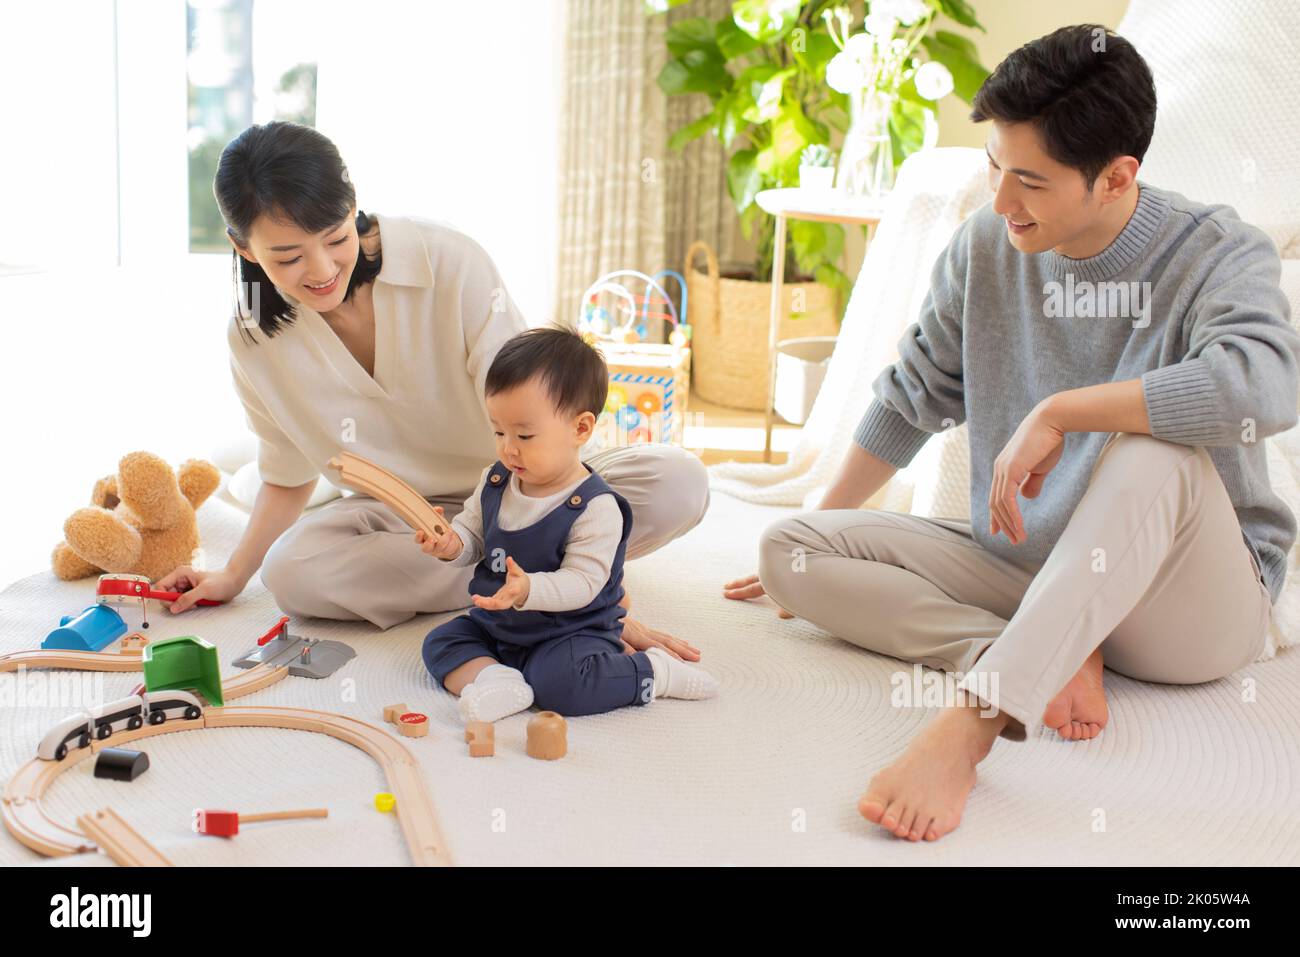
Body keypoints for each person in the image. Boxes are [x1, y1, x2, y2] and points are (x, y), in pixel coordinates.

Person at [724, 24, 1299, 842]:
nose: (1000, 203)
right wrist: (836, 516)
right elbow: (917, 386)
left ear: (1116, 177)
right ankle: (1046, 649)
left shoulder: (1216, 251)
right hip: (1032, 568)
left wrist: (1065, 410)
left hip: (1187, 606)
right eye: (996, 166)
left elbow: (1266, 385)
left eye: (1029, 180)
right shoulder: (988, 245)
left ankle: (968, 728)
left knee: (1154, 451)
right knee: (793, 550)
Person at [158, 121, 708, 668]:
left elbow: (533, 407)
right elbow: (286, 473)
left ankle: (539, 575)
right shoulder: (255, 338)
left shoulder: (447, 259)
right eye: (289, 257)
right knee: (291, 573)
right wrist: (233, 575)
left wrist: (582, 569)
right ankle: (544, 581)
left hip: (528, 485)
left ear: (354, 207)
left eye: (336, 238)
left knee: (679, 483)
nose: (323, 271)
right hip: (403, 518)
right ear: (244, 248)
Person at [419, 326, 719, 721]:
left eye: (524, 435)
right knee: (441, 641)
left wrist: (529, 589)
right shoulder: (496, 480)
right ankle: (496, 679)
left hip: (569, 631)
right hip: (500, 623)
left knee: (563, 687)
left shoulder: (595, 506)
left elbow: (583, 583)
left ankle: (652, 673)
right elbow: (473, 536)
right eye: (498, 431)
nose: (508, 447)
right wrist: (450, 545)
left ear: (580, 429)